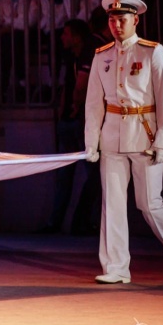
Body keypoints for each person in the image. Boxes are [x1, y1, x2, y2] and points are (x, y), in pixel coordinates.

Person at [84, 0, 163, 284]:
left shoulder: (152, 52)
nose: (116, 25)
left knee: (148, 203)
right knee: (112, 204)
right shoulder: (101, 55)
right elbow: (94, 104)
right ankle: (116, 267)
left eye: (122, 20)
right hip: (112, 135)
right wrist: (91, 141)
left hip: (144, 134)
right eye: (112, 20)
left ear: (135, 20)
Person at [42, 19, 100, 234]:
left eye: (66, 34)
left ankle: (63, 222)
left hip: (78, 121)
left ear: (76, 37)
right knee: (83, 174)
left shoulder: (84, 55)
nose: (62, 37)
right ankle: (72, 222)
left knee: (81, 174)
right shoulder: (72, 57)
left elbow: (79, 86)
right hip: (72, 120)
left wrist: (75, 105)